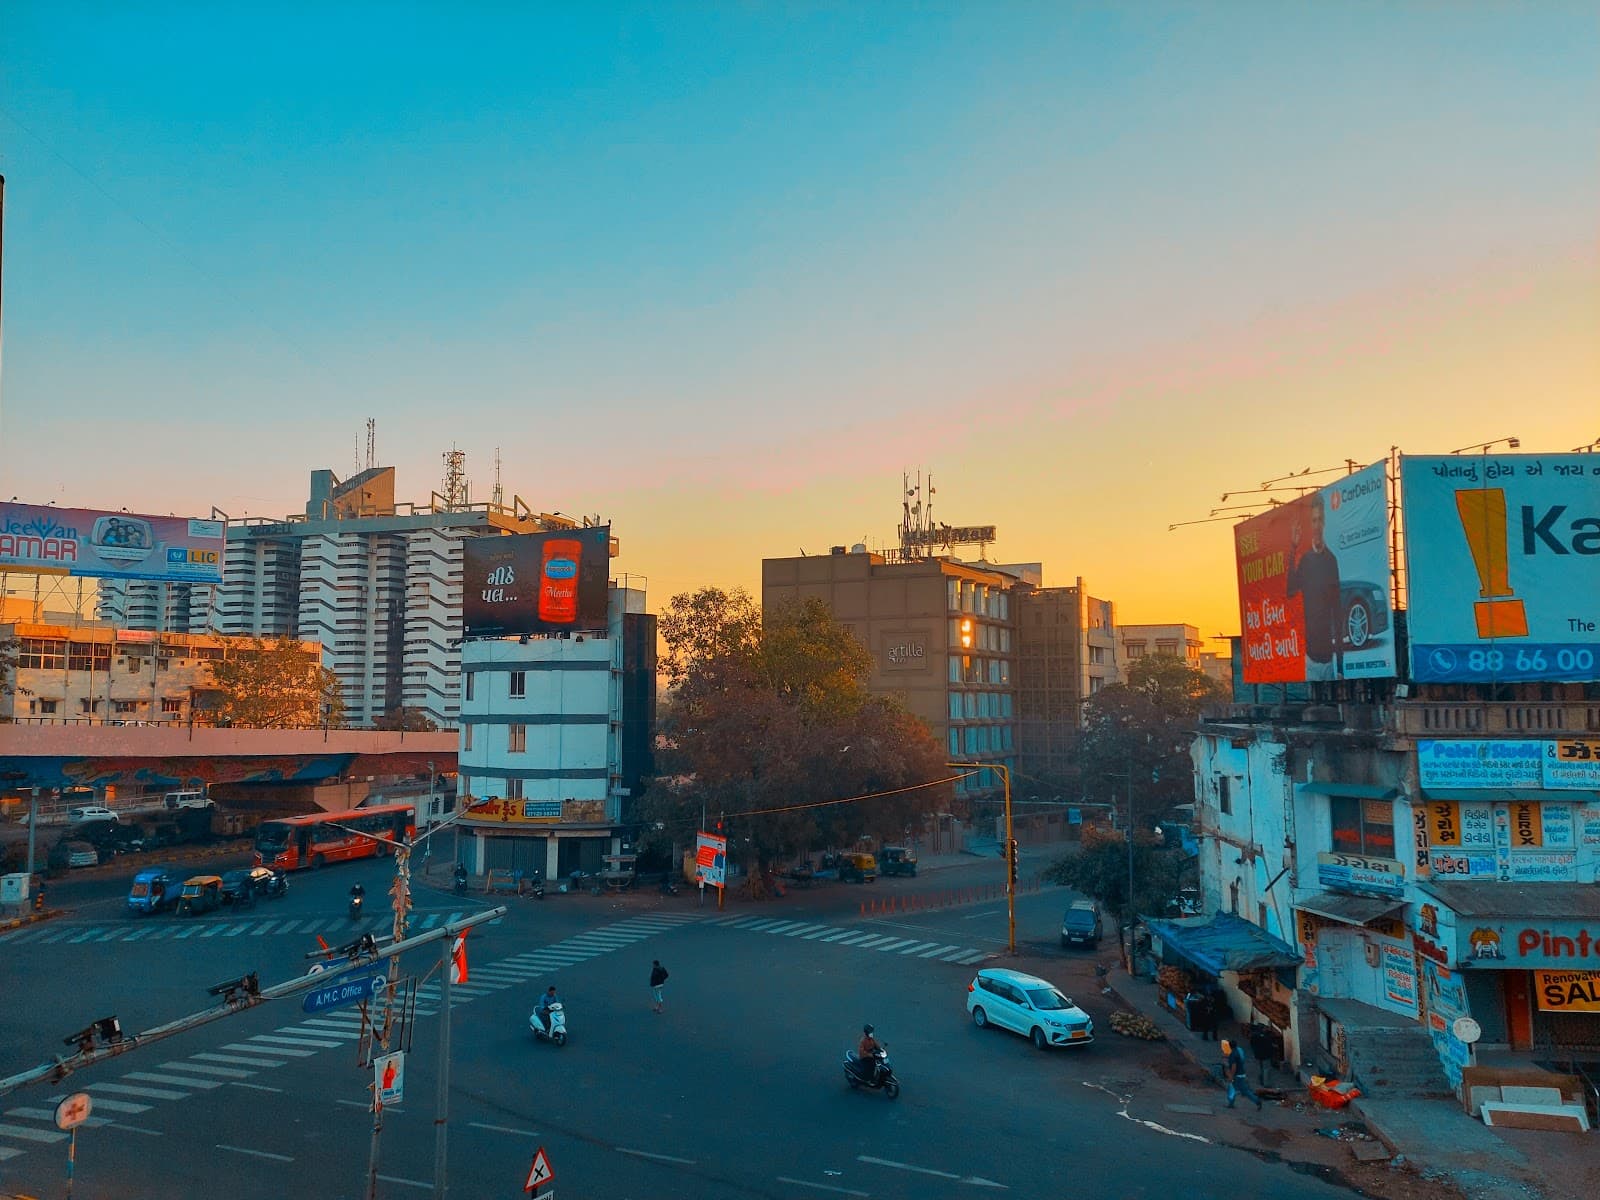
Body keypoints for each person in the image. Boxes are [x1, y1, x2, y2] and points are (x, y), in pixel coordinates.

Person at [1286, 492, 1343, 682]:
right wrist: (1293, 549)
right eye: (1313, 521)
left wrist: (1341, 666)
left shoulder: (1331, 560)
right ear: (1309, 526)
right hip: (1310, 660)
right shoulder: (1306, 560)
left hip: (1329, 662)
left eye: (1319, 520)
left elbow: (1338, 613)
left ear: (1324, 523)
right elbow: (1290, 590)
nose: (1317, 525)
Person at [1221, 1039, 1263, 1111]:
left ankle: (1257, 1101)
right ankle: (1231, 1103)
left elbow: (1234, 1067)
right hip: (1241, 1073)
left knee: (1243, 1091)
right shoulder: (1238, 1051)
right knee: (1233, 1089)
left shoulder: (1232, 1055)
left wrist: (1231, 1076)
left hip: (1237, 1076)